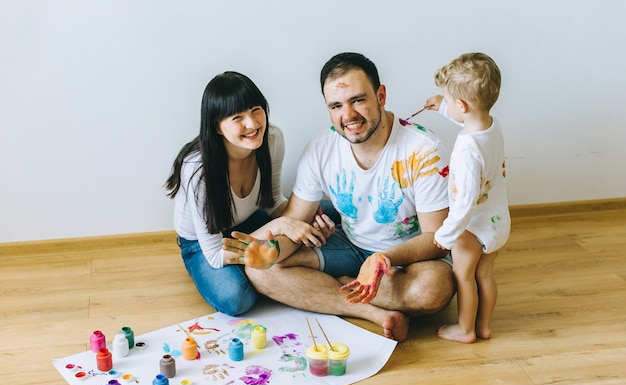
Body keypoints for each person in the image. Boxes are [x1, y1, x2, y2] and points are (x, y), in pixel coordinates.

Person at [223, 52, 455, 342]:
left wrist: (384, 258)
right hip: (350, 246)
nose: (348, 115)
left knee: (434, 290)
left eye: (358, 100)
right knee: (261, 272)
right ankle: (369, 309)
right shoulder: (321, 148)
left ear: (381, 95)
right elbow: (295, 220)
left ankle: (336, 287)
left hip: (409, 258)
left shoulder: (425, 149)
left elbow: (438, 239)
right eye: (336, 105)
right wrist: (273, 250)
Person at [164, 71, 327, 316]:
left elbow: (272, 203)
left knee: (325, 212)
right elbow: (216, 256)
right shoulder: (198, 171)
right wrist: (285, 225)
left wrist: (301, 216)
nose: (252, 125)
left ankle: (268, 263)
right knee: (237, 297)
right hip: (205, 245)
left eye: (255, 110)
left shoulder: (272, 139)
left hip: (253, 221)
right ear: (217, 126)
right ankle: (265, 268)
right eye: (237, 117)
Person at [425, 52, 511, 343]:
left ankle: (465, 329)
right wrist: (441, 108)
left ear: (460, 105)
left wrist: (447, 234)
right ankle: (484, 326)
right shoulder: (491, 124)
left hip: (470, 227)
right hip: (497, 221)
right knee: (485, 275)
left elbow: (464, 203)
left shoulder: (465, 151)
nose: (447, 104)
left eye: (447, 99)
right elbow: (467, 118)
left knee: (464, 276)